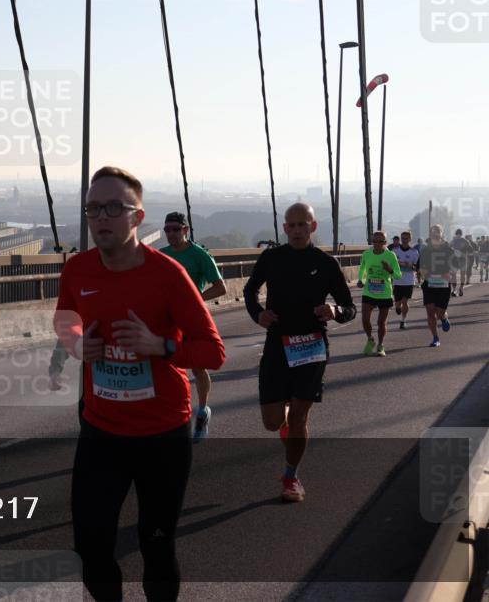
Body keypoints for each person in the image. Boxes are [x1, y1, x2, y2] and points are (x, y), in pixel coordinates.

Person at [55, 166, 225, 601]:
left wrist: (161, 345)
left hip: (162, 435)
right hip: (101, 431)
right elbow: (65, 321)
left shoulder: (168, 274)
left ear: (137, 217)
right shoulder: (77, 270)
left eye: (114, 207)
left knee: (156, 545)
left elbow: (212, 352)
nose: (101, 218)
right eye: (94, 208)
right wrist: (78, 346)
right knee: (90, 549)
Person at [243, 203, 356, 503]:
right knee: (271, 422)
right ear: (284, 228)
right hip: (277, 345)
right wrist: (258, 314)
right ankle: (288, 420)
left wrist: (335, 310)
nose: (296, 230)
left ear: (313, 227)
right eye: (290, 225)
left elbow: (349, 307)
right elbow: (250, 291)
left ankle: (291, 477)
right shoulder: (271, 257)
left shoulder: (326, 263)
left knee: (299, 418)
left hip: (312, 346)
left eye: (302, 225)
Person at [159, 212, 227, 443]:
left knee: (197, 367)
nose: (171, 233)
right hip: (168, 322)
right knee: (165, 367)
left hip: (192, 320)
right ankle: (170, 418)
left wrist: (196, 298)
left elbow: (221, 288)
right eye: (167, 229)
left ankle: (203, 410)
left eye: (176, 229)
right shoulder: (161, 256)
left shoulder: (199, 255)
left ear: (186, 230)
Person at [356, 230, 401, 356]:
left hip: (384, 293)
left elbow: (398, 275)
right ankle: (370, 339)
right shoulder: (366, 254)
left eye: (381, 242)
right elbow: (362, 270)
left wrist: (390, 270)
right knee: (365, 320)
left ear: (385, 243)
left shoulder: (390, 256)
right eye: (375, 241)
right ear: (372, 241)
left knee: (381, 323)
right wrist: (361, 280)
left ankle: (381, 345)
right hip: (369, 292)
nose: (377, 244)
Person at [419, 224, 454, 347]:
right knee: (430, 312)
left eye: (438, 231)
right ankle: (435, 338)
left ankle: (444, 318)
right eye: (433, 231)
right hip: (429, 285)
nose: (435, 233)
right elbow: (421, 267)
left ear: (442, 234)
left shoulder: (448, 249)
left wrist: (449, 274)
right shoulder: (426, 250)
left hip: (443, 286)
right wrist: (424, 274)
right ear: (430, 234)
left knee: (439, 313)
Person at [391, 230, 420, 329]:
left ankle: (403, 320)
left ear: (410, 239)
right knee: (398, 303)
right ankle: (398, 307)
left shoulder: (414, 252)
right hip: (397, 280)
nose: (404, 240)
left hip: (409, 281)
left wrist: (410, 265)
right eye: (403, 238)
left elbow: (417, 267)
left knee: (405, 301)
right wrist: (397, 264)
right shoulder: (395, 251)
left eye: (406, 238)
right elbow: (390, 265)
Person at [449, 229, 471, 296]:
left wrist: (454, 250)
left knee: (454, 274)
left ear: (456, 234)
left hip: (454, 259)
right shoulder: (465, 240)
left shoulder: (453, 240)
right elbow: (470, 248)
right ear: (461, 234)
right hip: (463, 259)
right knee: (462, 274)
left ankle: (454, 289)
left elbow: (448, 247)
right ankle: (461, 288)